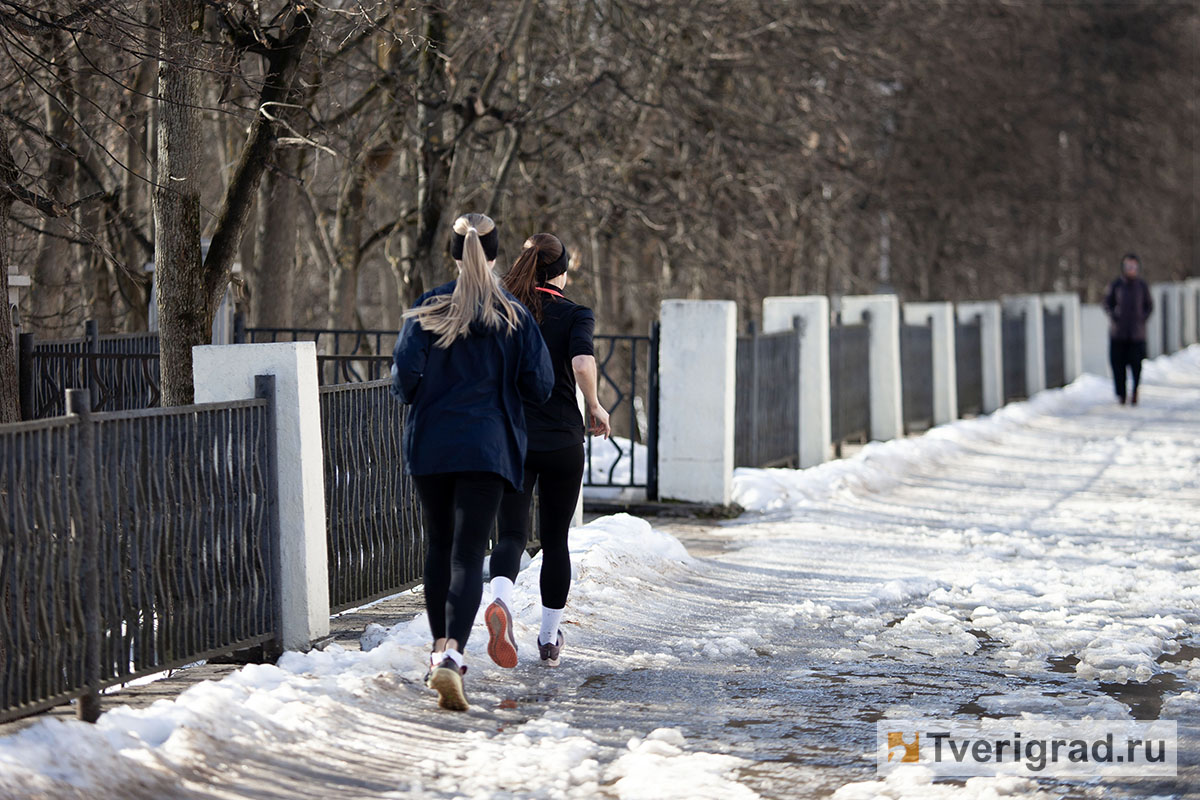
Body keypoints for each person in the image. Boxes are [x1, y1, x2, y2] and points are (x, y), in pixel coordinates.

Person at [391, 213, 553, 711]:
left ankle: (440, 650)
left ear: (452, 254)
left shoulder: (429, 306)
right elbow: (541, 386)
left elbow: (404, 380)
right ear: (497, 254)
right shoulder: (515, 315)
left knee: (438, 548)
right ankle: (454, 656)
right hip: (489, 448)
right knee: (467, 555)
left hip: (433, 444)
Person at [483, 233, 611, 670]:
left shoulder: (502, 310)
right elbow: (581, 363)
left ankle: (500, 602)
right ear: (562, 273)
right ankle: (548, 637)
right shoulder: (575, 314)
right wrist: (593, 405)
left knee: (511, 535)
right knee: (556, 539)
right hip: (560, 439)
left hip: (512, 438)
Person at [1103, 252, 1154, 405]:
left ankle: (1135, 390)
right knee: (1118, 366)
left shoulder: (1142, 286)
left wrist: (1141, 318)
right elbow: (1106, 303)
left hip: (1137, 335)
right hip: (1118, 334)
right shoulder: (1116, 285)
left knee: (1136, 365)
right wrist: (1114, 315)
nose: (1131, 269)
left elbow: (1149, 306)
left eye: (1133, 266)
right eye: (1128, 266)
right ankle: (1121, 394)